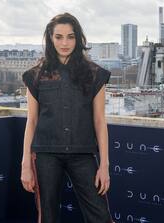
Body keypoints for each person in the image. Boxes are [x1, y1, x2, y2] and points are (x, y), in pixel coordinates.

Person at [21, 12, 113, 223]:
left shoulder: (94, 74)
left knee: (100, 215)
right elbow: (32, 121)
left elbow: (100, 121)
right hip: (45, 154)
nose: (65, 43)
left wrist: (104, 165)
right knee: (48, 215)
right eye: (59, 37)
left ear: (78, 39)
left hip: (82, 154)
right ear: (50, 39)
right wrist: (25, 164)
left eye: (70, 37)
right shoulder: (35, 75)